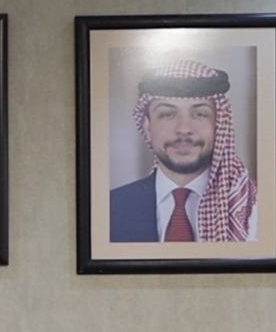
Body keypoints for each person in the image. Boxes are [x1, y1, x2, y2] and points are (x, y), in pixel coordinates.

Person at [109, 58, 257, 243]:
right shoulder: (110, 208)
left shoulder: (254, 207)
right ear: (147, 127)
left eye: (200, 114)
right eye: (167, 114)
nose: (184, 129)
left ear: (219, 124)